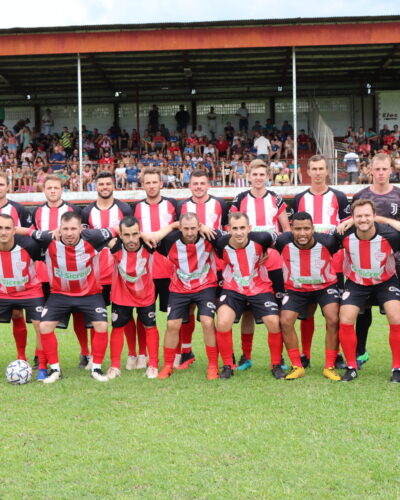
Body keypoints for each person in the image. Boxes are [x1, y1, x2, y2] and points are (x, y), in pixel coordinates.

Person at [32, 211, 117, 384]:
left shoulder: (92, 237)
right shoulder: (49, 239)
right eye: (65, 229)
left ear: (81, 229)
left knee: (101, 324)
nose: (69, 233)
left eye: (73, 229)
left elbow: (118, 228)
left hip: (90, 294)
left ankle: (96, 367)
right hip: (60, 294)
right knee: (45, 326)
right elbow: (26, 231)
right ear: (59, 229)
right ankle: (55, 369)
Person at [290, 154, 350, 369]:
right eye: (313, 169)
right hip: (306, 263)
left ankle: (336, 355)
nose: (317, 173)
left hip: (333, 265)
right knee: (307, 313)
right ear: (307, 172)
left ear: (327, 171)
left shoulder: (340, 197)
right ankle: (304, 355)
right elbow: (296, 232)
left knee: (334, 313)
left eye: (321, 168)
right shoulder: (299, 198)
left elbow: (345, 231)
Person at [230, 159, 290, 370]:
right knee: (247, 310)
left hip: (271, 261)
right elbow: (232, 230)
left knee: (278, 309)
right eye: (254, 174)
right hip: (246, 262)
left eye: (262, 174)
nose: (258, 178)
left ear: (267, 177)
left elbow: (285, 231)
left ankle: (279, 357)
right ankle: (246, 356)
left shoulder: (275, 198)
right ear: (249, 176)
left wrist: (270, 250)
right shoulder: (240, 199)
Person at [28, 175, 92, 369]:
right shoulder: (38, 211)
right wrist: (49, 236)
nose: (53, 191)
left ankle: (85, 353)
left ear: (62, 190)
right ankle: (42, 356)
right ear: (44, 190)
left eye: (56, 187)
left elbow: (86, 232)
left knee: (80, 315)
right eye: (49, 188)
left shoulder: (74, 210)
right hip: (46, 273)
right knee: (41, 318)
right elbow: (33, 237)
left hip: (73, 270)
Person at [213, 212, 284, 379]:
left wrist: (268, 250)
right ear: (228, 229)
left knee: (273, 322)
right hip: (233, 288)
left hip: (259, 286)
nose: (239, 232)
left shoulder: (262, 238)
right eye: (235, 228)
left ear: (249, 228)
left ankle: (276, 364)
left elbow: (279, 239)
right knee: (223, 322)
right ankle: (228, 365)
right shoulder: (221, 244)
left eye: (242, 228)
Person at [107, 216, 179, 380]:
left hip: (145, 294)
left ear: (140, 233)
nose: (131, 239)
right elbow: (95, 235)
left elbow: (166, 231)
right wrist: (115, 230)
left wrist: (175, 224)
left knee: (150, 326)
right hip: (121, 294)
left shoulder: (149, 244)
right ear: (121, 235)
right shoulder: (114, 245)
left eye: (135, 234)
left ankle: (152, 364)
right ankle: (115, 366)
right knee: (117, 327)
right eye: (126, 235)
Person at [336, 199, 400, 382]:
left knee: (396, 317)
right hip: (357, 283)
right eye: (359, 216)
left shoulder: (390, 235)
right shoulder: (343, 235)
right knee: (346, 318)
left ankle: (397, 367)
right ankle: (351, 367)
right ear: (352, 218)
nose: (363, 220)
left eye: (367, 216)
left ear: (374, 217)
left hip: (385, 282)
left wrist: (386, 220)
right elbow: (321, 242)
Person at [347, 153, 400, 368]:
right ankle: (360, 352)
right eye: (376, 169)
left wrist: (378, 218)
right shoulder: (360, 195)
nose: (380, 173)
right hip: (365, 264)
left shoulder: (398, 196)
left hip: (396, 264)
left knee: (396, 314)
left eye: (384, 169)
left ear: (391, 170)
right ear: (370, 170)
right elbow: (353, 223)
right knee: (362, 310)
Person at [276, 212, 342, 381]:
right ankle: (297, 365)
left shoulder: (328, 241)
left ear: (313, 229)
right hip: (296, 289)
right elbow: (261, 242)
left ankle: (330, 366)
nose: (302, 233)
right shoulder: (282, 241)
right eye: (297, 229)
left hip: (325, 286)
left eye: (306, 228)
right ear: (291, 229)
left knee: (333, 319)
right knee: (285, 320)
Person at [156, 212, 219, 380]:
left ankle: (213, 365)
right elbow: (151, 237)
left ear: (199, 227)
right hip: (179, 287)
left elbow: (233, 238)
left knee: (207, 321)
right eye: (186, 229)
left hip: (205, 285)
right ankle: (168, 365)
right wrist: (170, 227)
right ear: (180, 228)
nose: (190, 233)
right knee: (172, 324)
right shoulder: (169, 241)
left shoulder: (210, 236)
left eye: (193, 228)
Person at [176, 170, 228, 368]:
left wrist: (208, 229)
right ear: (190, 186)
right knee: (187, 310)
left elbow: (226, 231)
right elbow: (176, 228)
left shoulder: (220, 204)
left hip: (215, 266)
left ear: (208, 185)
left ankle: (223, 355)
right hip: (189, 267)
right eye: (195, 183)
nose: (198, 186)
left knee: (217, 312)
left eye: (202, 183)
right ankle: (187, 352)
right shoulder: (182, 206)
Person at [81, 172, 134, 369]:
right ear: (96, 186)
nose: (105, 187)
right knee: (97, 316)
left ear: (114, 186)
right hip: (95, 273)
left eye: (108, 183)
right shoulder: (87, 211)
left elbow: (130, 236)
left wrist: (113, 240)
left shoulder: (124, 208)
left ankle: (132, 355)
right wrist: (109, 236)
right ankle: (96, 357)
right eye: (101, 184)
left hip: (120, 271)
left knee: (125, 315)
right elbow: (86, 237)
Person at [132, 167, 178, 369]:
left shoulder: (173, 205)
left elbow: (182, 226)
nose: (151, 186)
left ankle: (177, 354)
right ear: (143, 185)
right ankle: (142, 354)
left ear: (161, 183)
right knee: (142, 315)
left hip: (169, 270)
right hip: (144, 271)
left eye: (154, 182)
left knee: (174, 315)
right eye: (147, 182)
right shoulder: (134, 208)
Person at [0, 214, 45, 379]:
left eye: (7, 228)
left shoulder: (30, 246)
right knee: (17, 314)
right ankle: (21, 356)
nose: (3, 232)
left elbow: (49, 258)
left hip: (30, 290)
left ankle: (42, 366)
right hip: (3, 292)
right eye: (0, 228)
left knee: (40, 325)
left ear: (14, 230)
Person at [0, 172, 33, 370]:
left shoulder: (18, 209)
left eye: (2, 184)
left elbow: (29, 237)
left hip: (13, 268)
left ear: (8, 187)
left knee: (16, 313)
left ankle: (22, 355)